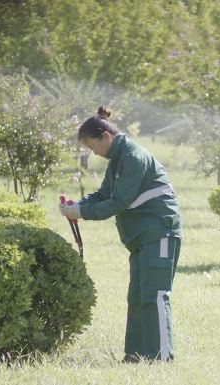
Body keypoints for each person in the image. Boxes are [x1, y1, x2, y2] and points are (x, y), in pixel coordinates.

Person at [59, 106, 183, 362]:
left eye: (93, 147)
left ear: (105, 136)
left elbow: (118, 202)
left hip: (159, 232)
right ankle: (136, 355)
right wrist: (77, 206)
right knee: (137, 296)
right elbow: (105, 194)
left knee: (155, 296)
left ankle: (159, 357)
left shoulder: (133, 157)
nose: (94, 153)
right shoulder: (118, 159)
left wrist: (81, 212)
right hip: (141, 237)